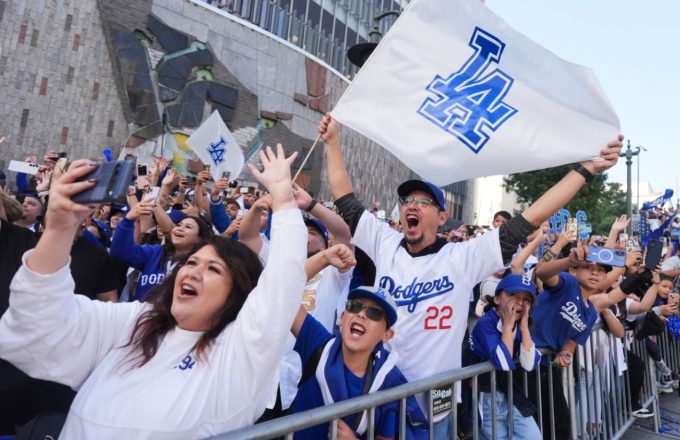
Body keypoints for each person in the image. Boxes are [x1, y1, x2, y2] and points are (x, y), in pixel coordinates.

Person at [319, 113, 623, 437]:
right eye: (408, 200)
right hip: (380, 393)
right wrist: (333, 142)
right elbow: (346, 203)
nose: (412, 206)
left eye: (423, 202)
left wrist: (585, 170)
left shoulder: (462, 257)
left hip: (435, 403)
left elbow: (532, 216)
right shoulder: (385, 242)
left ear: (442, 215)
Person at [0, 145, 308, 438]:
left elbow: (284, 281)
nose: (193, 271)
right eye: (192, 263)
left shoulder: (240, 355)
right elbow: (38, 328)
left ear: (238, 293)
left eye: (213, 269)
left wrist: (283, 197)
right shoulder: (137, 321)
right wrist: (59, 230)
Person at [290, 282, 427, 439]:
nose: (361, 314)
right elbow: (283, 292)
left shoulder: (389, 380)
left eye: (374, 313)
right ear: (342, 318)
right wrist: (325, 258)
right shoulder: (319, 344)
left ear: (387, 335)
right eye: (354, 306)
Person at [468, 274, 541, 440]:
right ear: (497, 299)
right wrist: (508, 327)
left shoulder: (521, 325)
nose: (520, 302)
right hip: (486, 395)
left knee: (532, 436)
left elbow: (530, 364)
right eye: (513, 295)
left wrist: (524, 328)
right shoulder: (486, 323)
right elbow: (503, 361)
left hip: (510, 391)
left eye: (526, 299)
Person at [110, 203, 213, 301]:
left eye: (188, 227)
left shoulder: (200, 266)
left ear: (199, 238)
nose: (180, 229)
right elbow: (120, 253)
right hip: (143, 317)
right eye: (179, 225)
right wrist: (128, 220)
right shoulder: (155, 252)